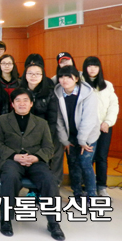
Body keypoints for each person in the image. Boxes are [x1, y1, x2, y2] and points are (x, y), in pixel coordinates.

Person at [0, 88, 64, 240]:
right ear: (12, 104)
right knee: (10, 177)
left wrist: (36, 157)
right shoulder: (2, 120)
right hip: (12, 160)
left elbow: (49, 148)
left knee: (49, 180)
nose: (22, 103)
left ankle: (53, 223)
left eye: (25, 100)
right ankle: (6, 220)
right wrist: (14, 156)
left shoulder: (42, 123)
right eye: (18, 100)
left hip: (35, 161)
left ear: (31, 104)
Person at [55, 66, 100, 201]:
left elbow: (89, 119)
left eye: (69, 77)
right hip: (70, 136)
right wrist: (64, 140)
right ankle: (77, 193)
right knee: (72, 163)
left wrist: (82, 140)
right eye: (62, 77)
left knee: (85, 163)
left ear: (76, 78)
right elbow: (59, 120)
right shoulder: (57, 93)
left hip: (88, 136)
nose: (64, 80)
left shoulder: (88, 94)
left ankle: (92, 194)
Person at [82, 56, 119, 197]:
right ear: (85, 68)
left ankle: (101, 186)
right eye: (89, 66)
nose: (92, 69)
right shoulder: (81, 84)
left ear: (99, 68)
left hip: (104, 127)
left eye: (95, 66)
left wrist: (108, 122)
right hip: (88, 128)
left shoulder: (107, 85)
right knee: (87, 158)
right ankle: (87, 186)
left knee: (102, 157)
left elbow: (113, 105)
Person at [20, 64, 61, 185]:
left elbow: (53, 118)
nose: (33, 76)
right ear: (25, 75)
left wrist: (47, 137)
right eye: (30, 73)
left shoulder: (50, 93)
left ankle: (47, 188)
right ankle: (31, 190)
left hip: (45, 133)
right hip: (24, 134)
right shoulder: (19, 91)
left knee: (45, 160)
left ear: (42, 76)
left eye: (37, 73)